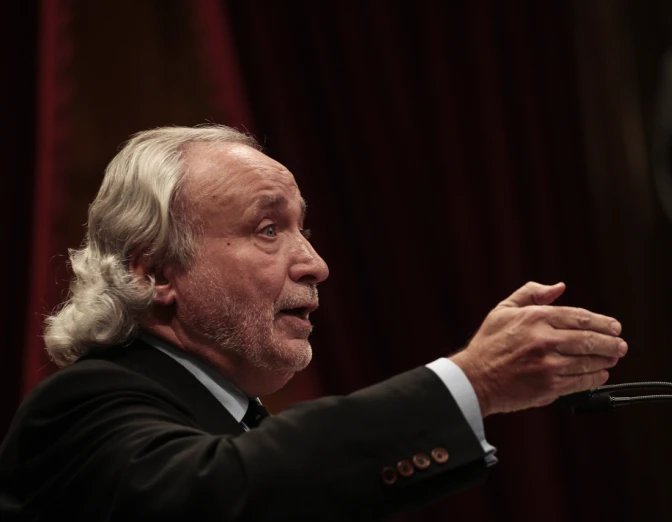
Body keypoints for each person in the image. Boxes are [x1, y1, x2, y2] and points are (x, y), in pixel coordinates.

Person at [0, 125, 627, 521]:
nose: (317, 264)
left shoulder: (231, 417)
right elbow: (224, 494)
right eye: (268, 228)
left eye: (306, 228)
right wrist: (472, 382)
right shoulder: (79, 407)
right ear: (152, 273)